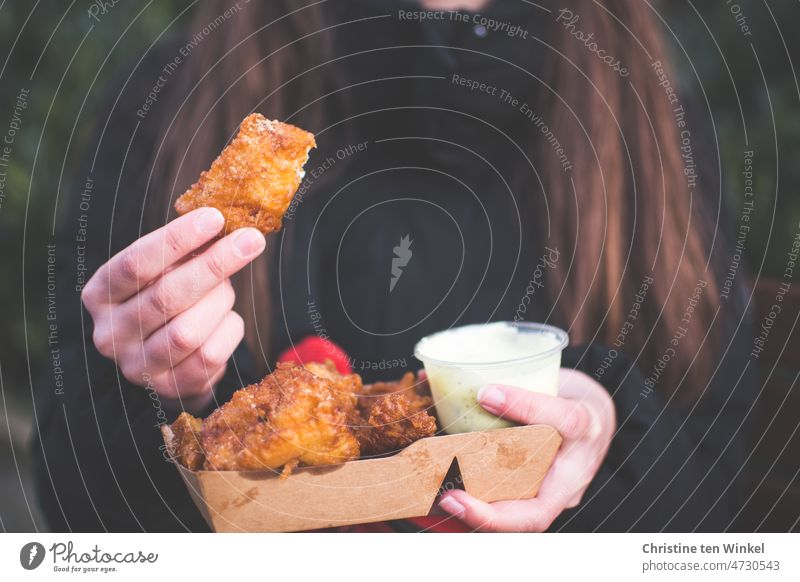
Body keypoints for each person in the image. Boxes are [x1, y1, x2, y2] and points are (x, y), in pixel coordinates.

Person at [35, 0, 755, 532]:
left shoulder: (651, 125)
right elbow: (76, 509)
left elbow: (720, 505)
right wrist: (158, 396)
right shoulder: (178, 98)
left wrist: (605, 418)